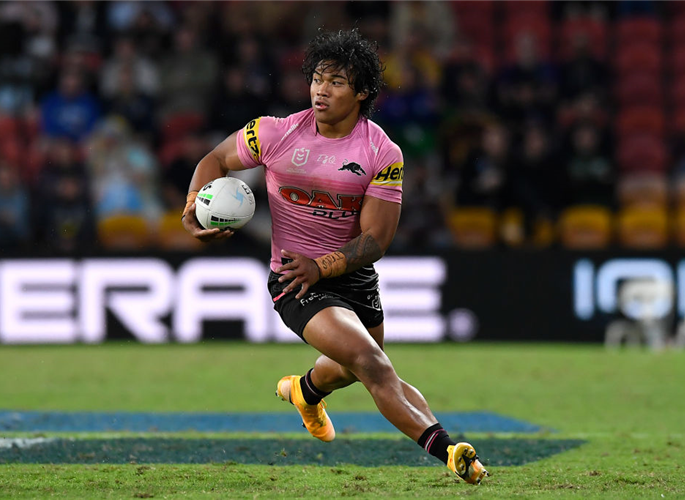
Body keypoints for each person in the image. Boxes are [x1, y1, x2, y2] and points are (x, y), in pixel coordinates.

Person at [181, 29, 488, 485]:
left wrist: (323, 264)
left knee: (354, 366)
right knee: (373, 364)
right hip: (295, 281)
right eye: (317, 79)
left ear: (362, 91)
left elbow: (376, 240)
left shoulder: (382, 153)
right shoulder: (274, 132)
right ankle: (451, 451)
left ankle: (304, 392)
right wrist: (193, 208)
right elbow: (215, 159)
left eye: (337, 82)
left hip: (353, 278)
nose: (321, 90)